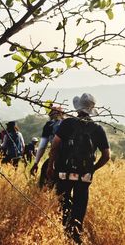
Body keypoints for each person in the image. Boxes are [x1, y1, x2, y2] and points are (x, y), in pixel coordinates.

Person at [47, 93, 110, 244]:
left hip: (63, 172)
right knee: (79, 209)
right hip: (84, 176)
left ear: (78, 109)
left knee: (63, 205)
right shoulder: (98, 128)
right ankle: (75, 236)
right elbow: (106, 155)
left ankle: (63, 234)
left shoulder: (68, 123)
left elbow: (54, 146)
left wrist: (51, 166)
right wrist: (92, 169)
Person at [30, 105, 64, 187]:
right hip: (72, 160)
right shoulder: (69, 123)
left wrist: (36, 163)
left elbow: (42, 147)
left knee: (44, 183)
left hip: (56, 158)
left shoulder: (49, 125)